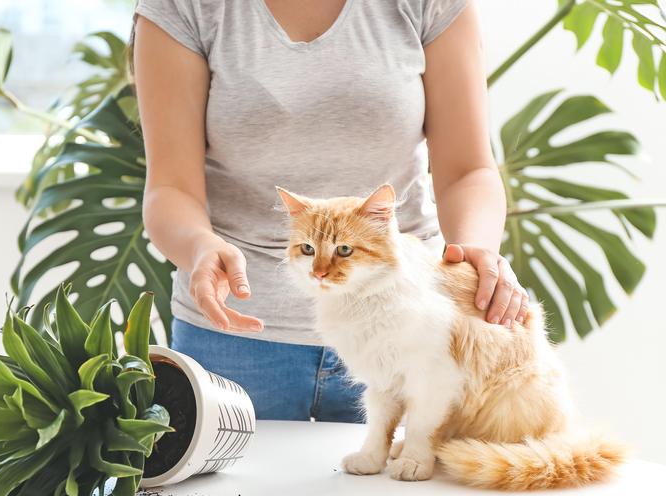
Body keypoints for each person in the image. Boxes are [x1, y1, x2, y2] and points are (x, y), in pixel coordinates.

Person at [132, 0, 529, 422]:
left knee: (413, 483)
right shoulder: (184, 6)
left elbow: (468, 171)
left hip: (404, 325)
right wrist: (198, 248)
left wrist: (474, 252)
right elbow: (170, 187)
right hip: (235, 338)